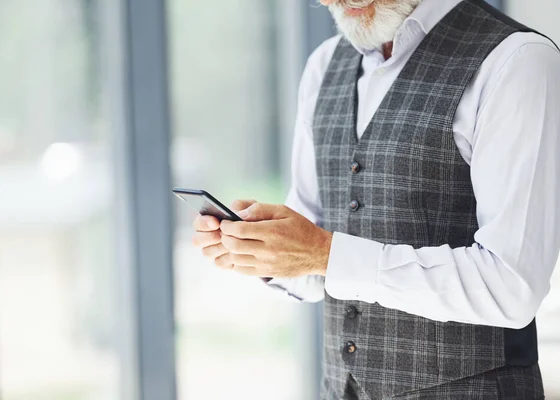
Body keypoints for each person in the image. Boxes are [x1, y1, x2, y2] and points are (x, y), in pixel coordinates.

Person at [192, 0, 560, 398]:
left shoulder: (517, 61)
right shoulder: (323, 65)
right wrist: (264, 249)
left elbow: (510, 285)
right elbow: (316, 252)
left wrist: (326, 254)